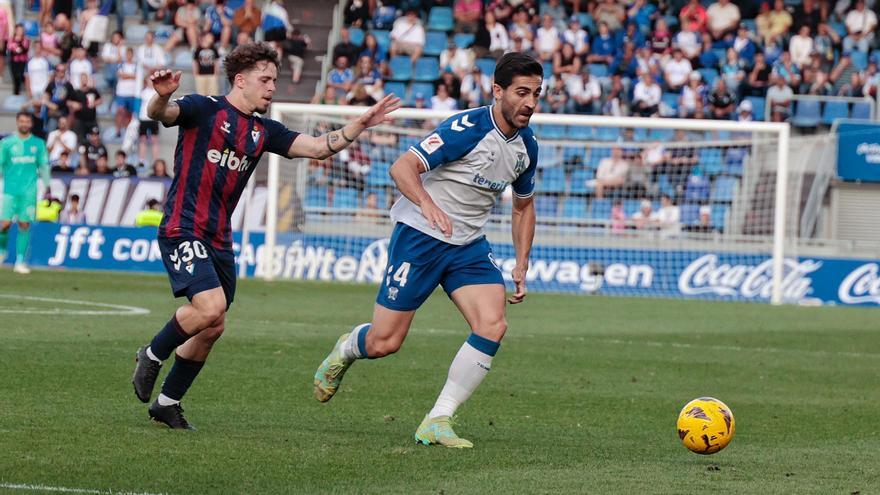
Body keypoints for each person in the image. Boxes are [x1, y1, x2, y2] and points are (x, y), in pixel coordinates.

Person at [130, 42, 400, 429]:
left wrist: (361, 123)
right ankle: (152, 355)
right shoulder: (204, 108)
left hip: (219, 238)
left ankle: (167, 403)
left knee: (213, 326)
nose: (272, 87)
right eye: (265, 79)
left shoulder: (263, 131)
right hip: (182, 226)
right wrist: (160, 97)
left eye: (274, 79)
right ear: (240, 81)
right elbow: (163, 113)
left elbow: (320, 148)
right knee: (209, 307)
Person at [311, 52, 542, 449]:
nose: (531, 103)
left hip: (467, 245)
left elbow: (523, 206)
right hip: (420, 236)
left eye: (537, 94)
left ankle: (438, 419)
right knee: (385, 342)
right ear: (498, 90)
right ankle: (348, 347)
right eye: (522, 93)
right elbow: (403, 167)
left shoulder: (527, 146)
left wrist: (522, 263)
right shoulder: (465, 127)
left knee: (493, 324)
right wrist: (428, 204)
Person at [0, 112, 50, 274]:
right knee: (4, 224)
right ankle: (2, 251)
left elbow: (44, 166)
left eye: (27, 121)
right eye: (21, 121)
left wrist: (47, 186)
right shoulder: (7, 143)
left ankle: (20, 261)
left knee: (24, 224)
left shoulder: (38, 144)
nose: (24, 124)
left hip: (28, 192)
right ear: (17, 122)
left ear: (31, 124)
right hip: (9, 191)